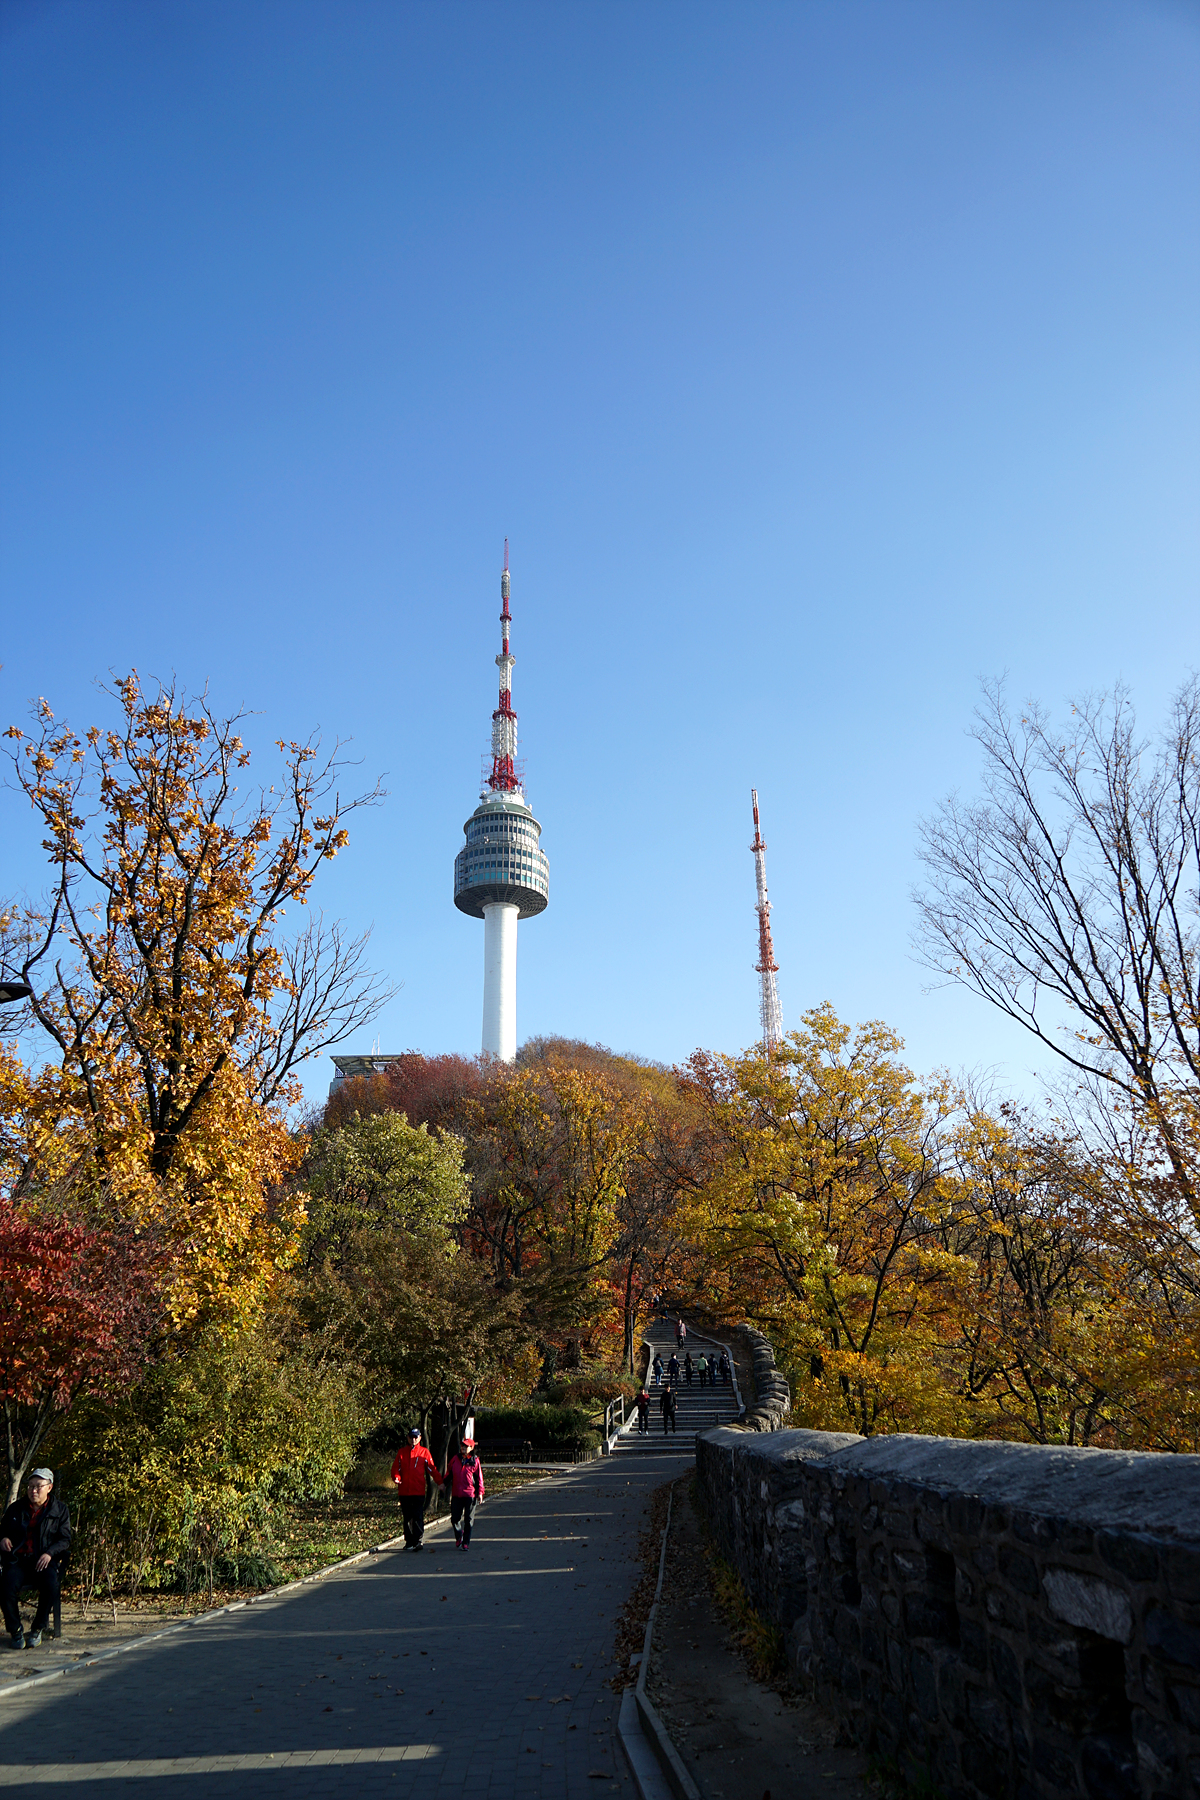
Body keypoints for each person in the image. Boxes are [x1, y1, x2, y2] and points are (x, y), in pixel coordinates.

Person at [1, 1468, 71, 1649]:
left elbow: (65, 1540)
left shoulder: (60, 1510)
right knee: (5, 1586)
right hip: (18, 1560)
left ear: (49, 1487)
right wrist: (3, 1539)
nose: (33, 1491)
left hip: (43, 1560)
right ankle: (15, 1630)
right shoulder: (16, 1509)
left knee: (51, 1584)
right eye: (30, 1486)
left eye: (38, 1486)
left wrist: (50, 1553)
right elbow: (2, 1530)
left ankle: (38, 1628)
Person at [391, 1426, 445, 1551]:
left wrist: (440, 1482)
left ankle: (418, 1540)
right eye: (411, 1437)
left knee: (417, 1516)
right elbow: (395, 1468)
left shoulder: (424, 1452)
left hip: (418, 1490)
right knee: (407, 1517)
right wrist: (396, 1477)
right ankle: (409, 1542)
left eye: (416, 1437)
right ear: (408, 1438)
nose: (413, 1440)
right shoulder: (402, 1452)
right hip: (404, 1491)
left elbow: (432, 1468)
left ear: (420, 1438)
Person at [448, 1432, 485, 1551]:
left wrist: (480, 1493)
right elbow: (449, 1473)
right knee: (455, 1519)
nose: (464, 1448)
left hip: (470, 1494)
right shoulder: (455, 1459)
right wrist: (442, 1483)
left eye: (466, 1446)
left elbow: (479, 1478)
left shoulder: (475, 1461)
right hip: (457, 1494)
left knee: (468, 1520)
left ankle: (466, 1542)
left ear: (471, 1448)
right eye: (462, 1446)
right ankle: (459, 1534)